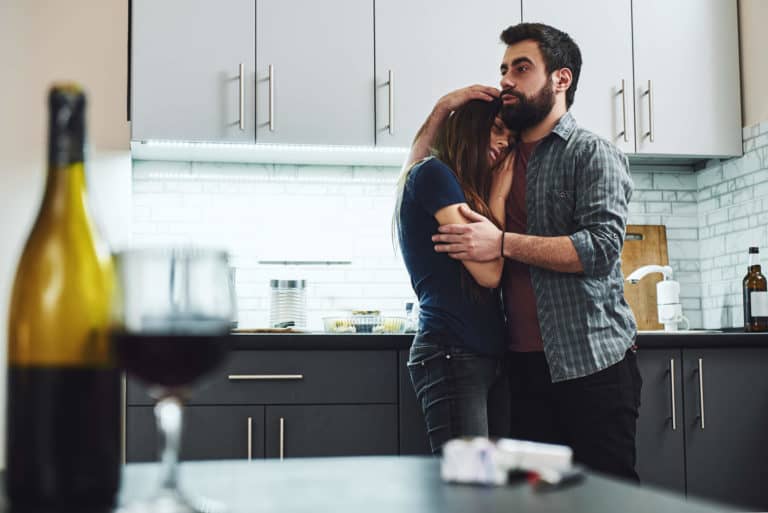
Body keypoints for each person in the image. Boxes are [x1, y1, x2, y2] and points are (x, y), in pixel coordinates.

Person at [410, 23, 642, 481]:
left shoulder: (592, 154)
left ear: (561, 79)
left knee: (605, 500)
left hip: (592, 365)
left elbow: (600, 250)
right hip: (523, 370)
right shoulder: (497, 159)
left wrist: (501, 243)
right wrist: (442, 109)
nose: (506, 81)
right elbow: (420, 172)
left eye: (521, 67)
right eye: (503, 69)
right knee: (533, 500)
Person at [394, 98, 514, 454]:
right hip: (451, 352)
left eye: (510, 138)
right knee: (470, 490)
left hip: (482, 354)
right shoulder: (433, 173)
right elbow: (490, 273)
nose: (505, 142)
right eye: (496, 130)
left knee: (489, 490)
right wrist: (501, 194)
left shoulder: (454, 186)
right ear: (468, 130)